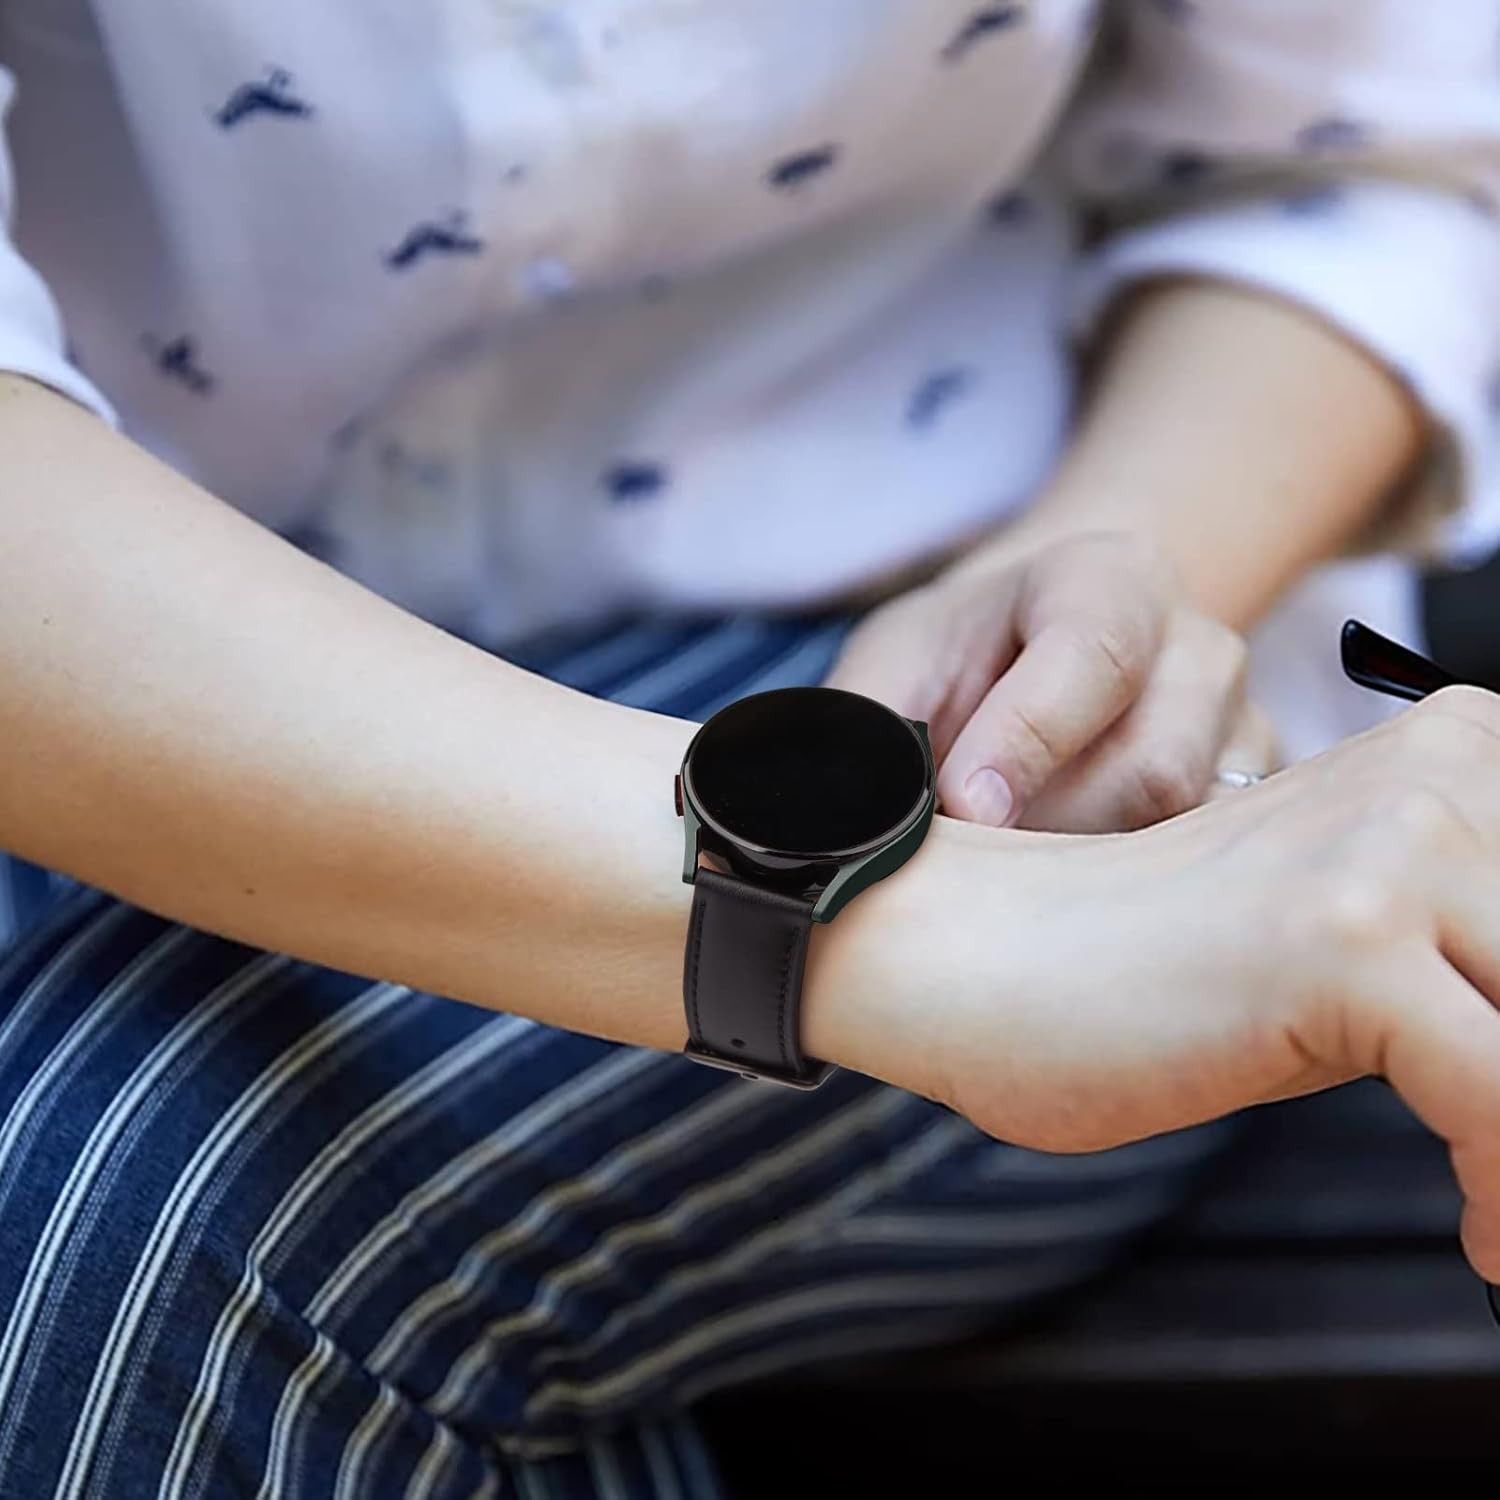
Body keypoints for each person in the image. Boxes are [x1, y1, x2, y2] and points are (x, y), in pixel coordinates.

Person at [2, 1, 1500, 1494]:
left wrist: (1115, 571)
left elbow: (1359, 158)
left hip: (944, 679)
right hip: (105, 680)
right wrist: (937, 928)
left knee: (141, 1213)